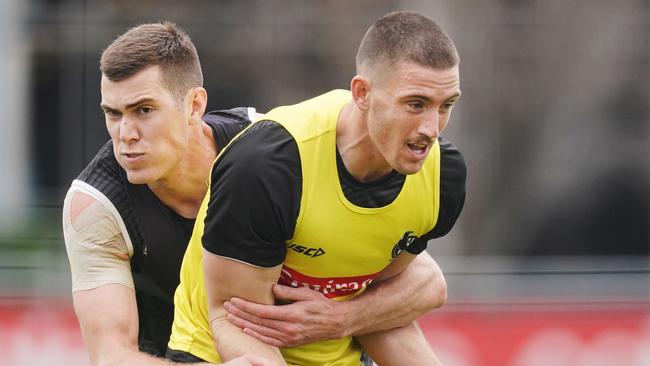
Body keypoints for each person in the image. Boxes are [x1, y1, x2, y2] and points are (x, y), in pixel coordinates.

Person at [62, 20, 448, 366]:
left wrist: (342, 318)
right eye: (113, 113)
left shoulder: (266, 151)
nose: (124, 134)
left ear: (195, 104)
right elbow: (110, 356)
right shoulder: (96, 205)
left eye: (144, 110)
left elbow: (426, 283)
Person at [168, 10, 466, 366]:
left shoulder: (441, 176)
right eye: (415, 105)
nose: (432, 128)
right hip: (223, 353)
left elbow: (379, 299)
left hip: (337, 351)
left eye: (445, 105)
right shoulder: (268, 167)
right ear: (362, 93)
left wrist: (344, 319)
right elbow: (234, 322)